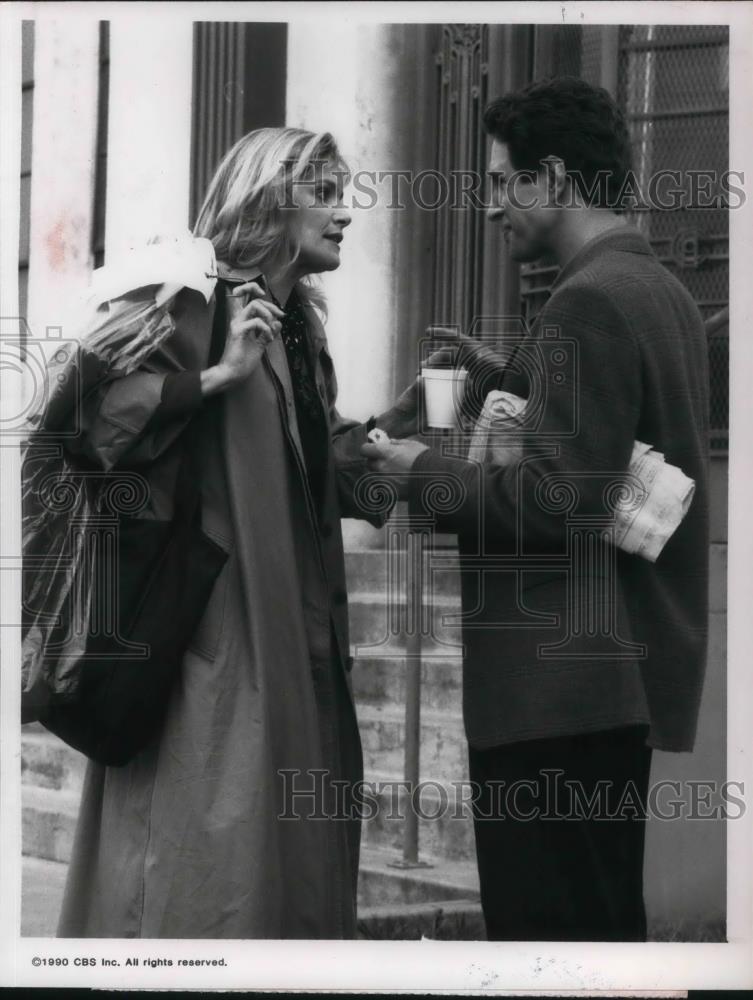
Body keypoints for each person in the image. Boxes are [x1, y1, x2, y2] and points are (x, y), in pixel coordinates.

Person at [363, 77, 710, 941]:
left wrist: (413, 470)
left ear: (551, 178)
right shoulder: (654, 286)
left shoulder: (586, 301)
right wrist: (504, 378)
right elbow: (600, 452)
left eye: (498, 182)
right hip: (608, 683)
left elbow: (557, 502)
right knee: (598, 928)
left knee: (555, 944)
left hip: (558, 693)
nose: (487, 208)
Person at [54, 127, 416, 939]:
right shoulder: (186, 298)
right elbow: (82, 422)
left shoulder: (298, 328)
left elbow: (313, 464)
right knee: (201, 868)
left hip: (295, 633)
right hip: (208, 640)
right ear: (268, 202)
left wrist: (409, 432)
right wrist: (215, 377)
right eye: (323, 193)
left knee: (285, 867)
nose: (344, 213)